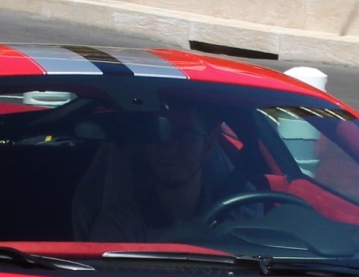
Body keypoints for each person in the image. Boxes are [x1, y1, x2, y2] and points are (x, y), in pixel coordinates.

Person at [70, 100, 242, 242]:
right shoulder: (119, 227)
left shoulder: (233, 223)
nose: (169, 148)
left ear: (208, 146)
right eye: (158, 135)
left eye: (184, 135)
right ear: (146, 147)